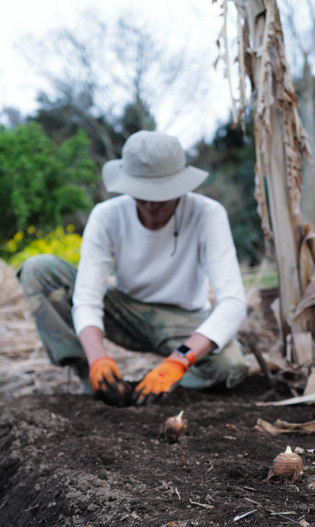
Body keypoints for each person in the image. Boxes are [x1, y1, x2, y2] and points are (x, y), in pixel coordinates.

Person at [18, 130, 249, 405]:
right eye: (141, 194)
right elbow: (87, 300)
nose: (151, 205)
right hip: (123, 312)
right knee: (38, 269)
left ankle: (163, 384)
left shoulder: (208, 214)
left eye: (161, 196)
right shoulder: (107, 216)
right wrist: (97, 358)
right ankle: (95, 379)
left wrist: (178, 361)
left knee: (229, 367)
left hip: (183, 321)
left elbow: (233, 302)